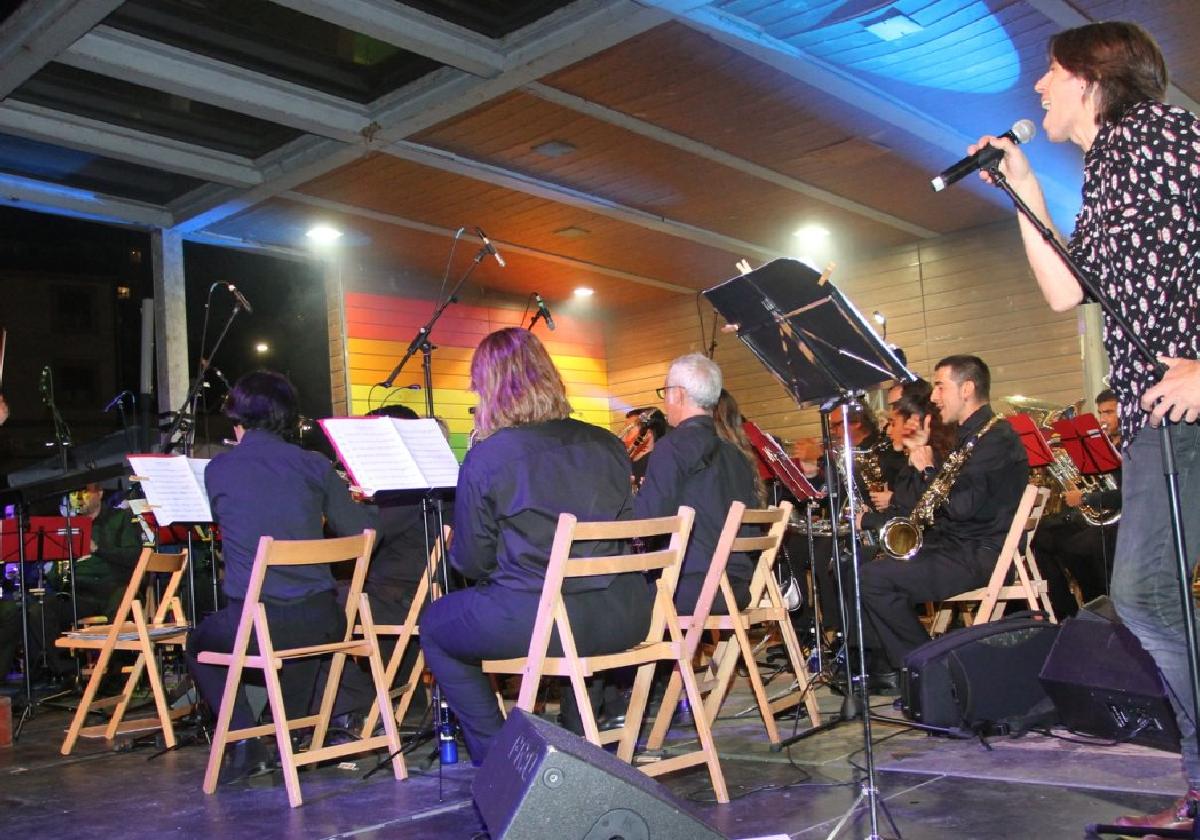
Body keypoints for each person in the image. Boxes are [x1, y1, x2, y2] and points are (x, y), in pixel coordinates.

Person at [974, 21, 1200, 830]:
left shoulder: (1163, 135)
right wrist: (1024, 188)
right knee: (1153, 598)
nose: (1037, 88)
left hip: (1186, 406)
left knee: (1143, 596)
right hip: (1152, 415)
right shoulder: (1108, 167)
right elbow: (1068, 293)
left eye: (1048, 72)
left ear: (1090, 76)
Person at [419, 328, 649, 764]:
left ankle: (500, 760)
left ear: (488, 389)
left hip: (549, 623)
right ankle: (582, 739)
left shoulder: (488, 456)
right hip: (629, 614)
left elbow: (471, 561)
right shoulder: (606, 443)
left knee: (435, 625)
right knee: (561, 600)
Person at [185, 371, 373, 783]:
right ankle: (289, 730)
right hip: (322, 621)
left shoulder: (219, 470)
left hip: (257, 625)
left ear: (238, 417)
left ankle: (244, 741)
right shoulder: (314, 464)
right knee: (296, 637)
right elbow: (360, 531)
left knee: (198, 642)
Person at [856, 356, 1027, 691]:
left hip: (980, 553)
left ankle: (932, 673)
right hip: (959, 544)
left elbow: (961, 507)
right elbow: (933, 504)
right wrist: (922, 462)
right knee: (872, 566)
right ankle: (924, 668)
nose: (933, 397)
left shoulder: (995, 438)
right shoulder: (972, 435)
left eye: (940, 386)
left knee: (874, 580)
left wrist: (928, 469)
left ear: (967, 389)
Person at [633, 354, 759, 614]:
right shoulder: (737, 455)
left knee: (617, 597)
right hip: (736, 587)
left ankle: (667, 654)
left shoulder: (673, 447)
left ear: (677, 394)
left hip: (692, 589)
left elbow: (645, 523)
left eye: (665, 392)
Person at [1031, 389, 1122, 619]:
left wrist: (1084, 498)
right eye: (1101, 413)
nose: (1103, 420)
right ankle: (1064, 611)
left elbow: (1123, 495)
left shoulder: (1129, 448)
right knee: (1039, 535)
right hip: (1095, 514)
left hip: (1118, 520)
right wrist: (1077, 482)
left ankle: (1098, 605)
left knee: (1080, 546)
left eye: (1109, 412)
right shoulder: (1098, 446)